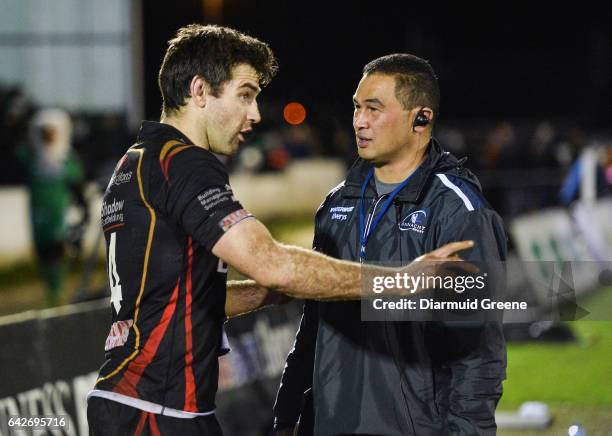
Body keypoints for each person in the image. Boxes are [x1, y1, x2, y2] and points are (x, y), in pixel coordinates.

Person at [86, 26, 472, 436]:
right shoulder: (182, 163)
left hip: (135, 403)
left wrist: (282, 290)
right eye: (245, 94)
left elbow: (179, 297)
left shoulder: (137, 160)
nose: (254, 114)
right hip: (155, 411)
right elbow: (273, 263)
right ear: (200, 90)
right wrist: (402, 281)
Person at [273, 54, 508, 435]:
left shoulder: (458, 212)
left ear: (421, 118)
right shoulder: (337, 205)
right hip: (330, 424)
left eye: (374, 109)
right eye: (356, 107)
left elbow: (478, 354)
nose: (359, 121)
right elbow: (314, 324)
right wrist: (286, 417)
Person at [16, 108, 88, 306]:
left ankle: (57, 294)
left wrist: (82, 213)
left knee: (57, 255)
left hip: (60, 217)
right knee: (44, 256)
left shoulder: (67, 160)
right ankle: (51, 293)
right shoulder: (31, 159)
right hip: (39, 218)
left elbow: (77, 188)